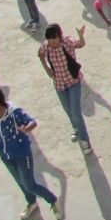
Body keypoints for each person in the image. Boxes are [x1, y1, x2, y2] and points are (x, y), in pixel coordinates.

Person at [0, 85, 62, 220]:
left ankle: (53, 200)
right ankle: (31, 202)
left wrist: (26, 129)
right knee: (20, 182)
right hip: (6, 156)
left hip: (23, 155)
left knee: (29, 184)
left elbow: (32, 122)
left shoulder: (13, 112)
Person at [38, 24, 92, 155]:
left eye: (54, 38)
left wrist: (80, 35)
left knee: (76, 113)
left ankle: (85, 142)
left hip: (73, 82)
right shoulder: (46, 46)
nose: (52, 42)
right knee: (68, 110)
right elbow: (40, 55)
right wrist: (47, 69)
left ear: (59, 36)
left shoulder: (67, 42)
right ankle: (76, 129)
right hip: (59, 84)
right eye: (50, 39)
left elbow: (80, 44)